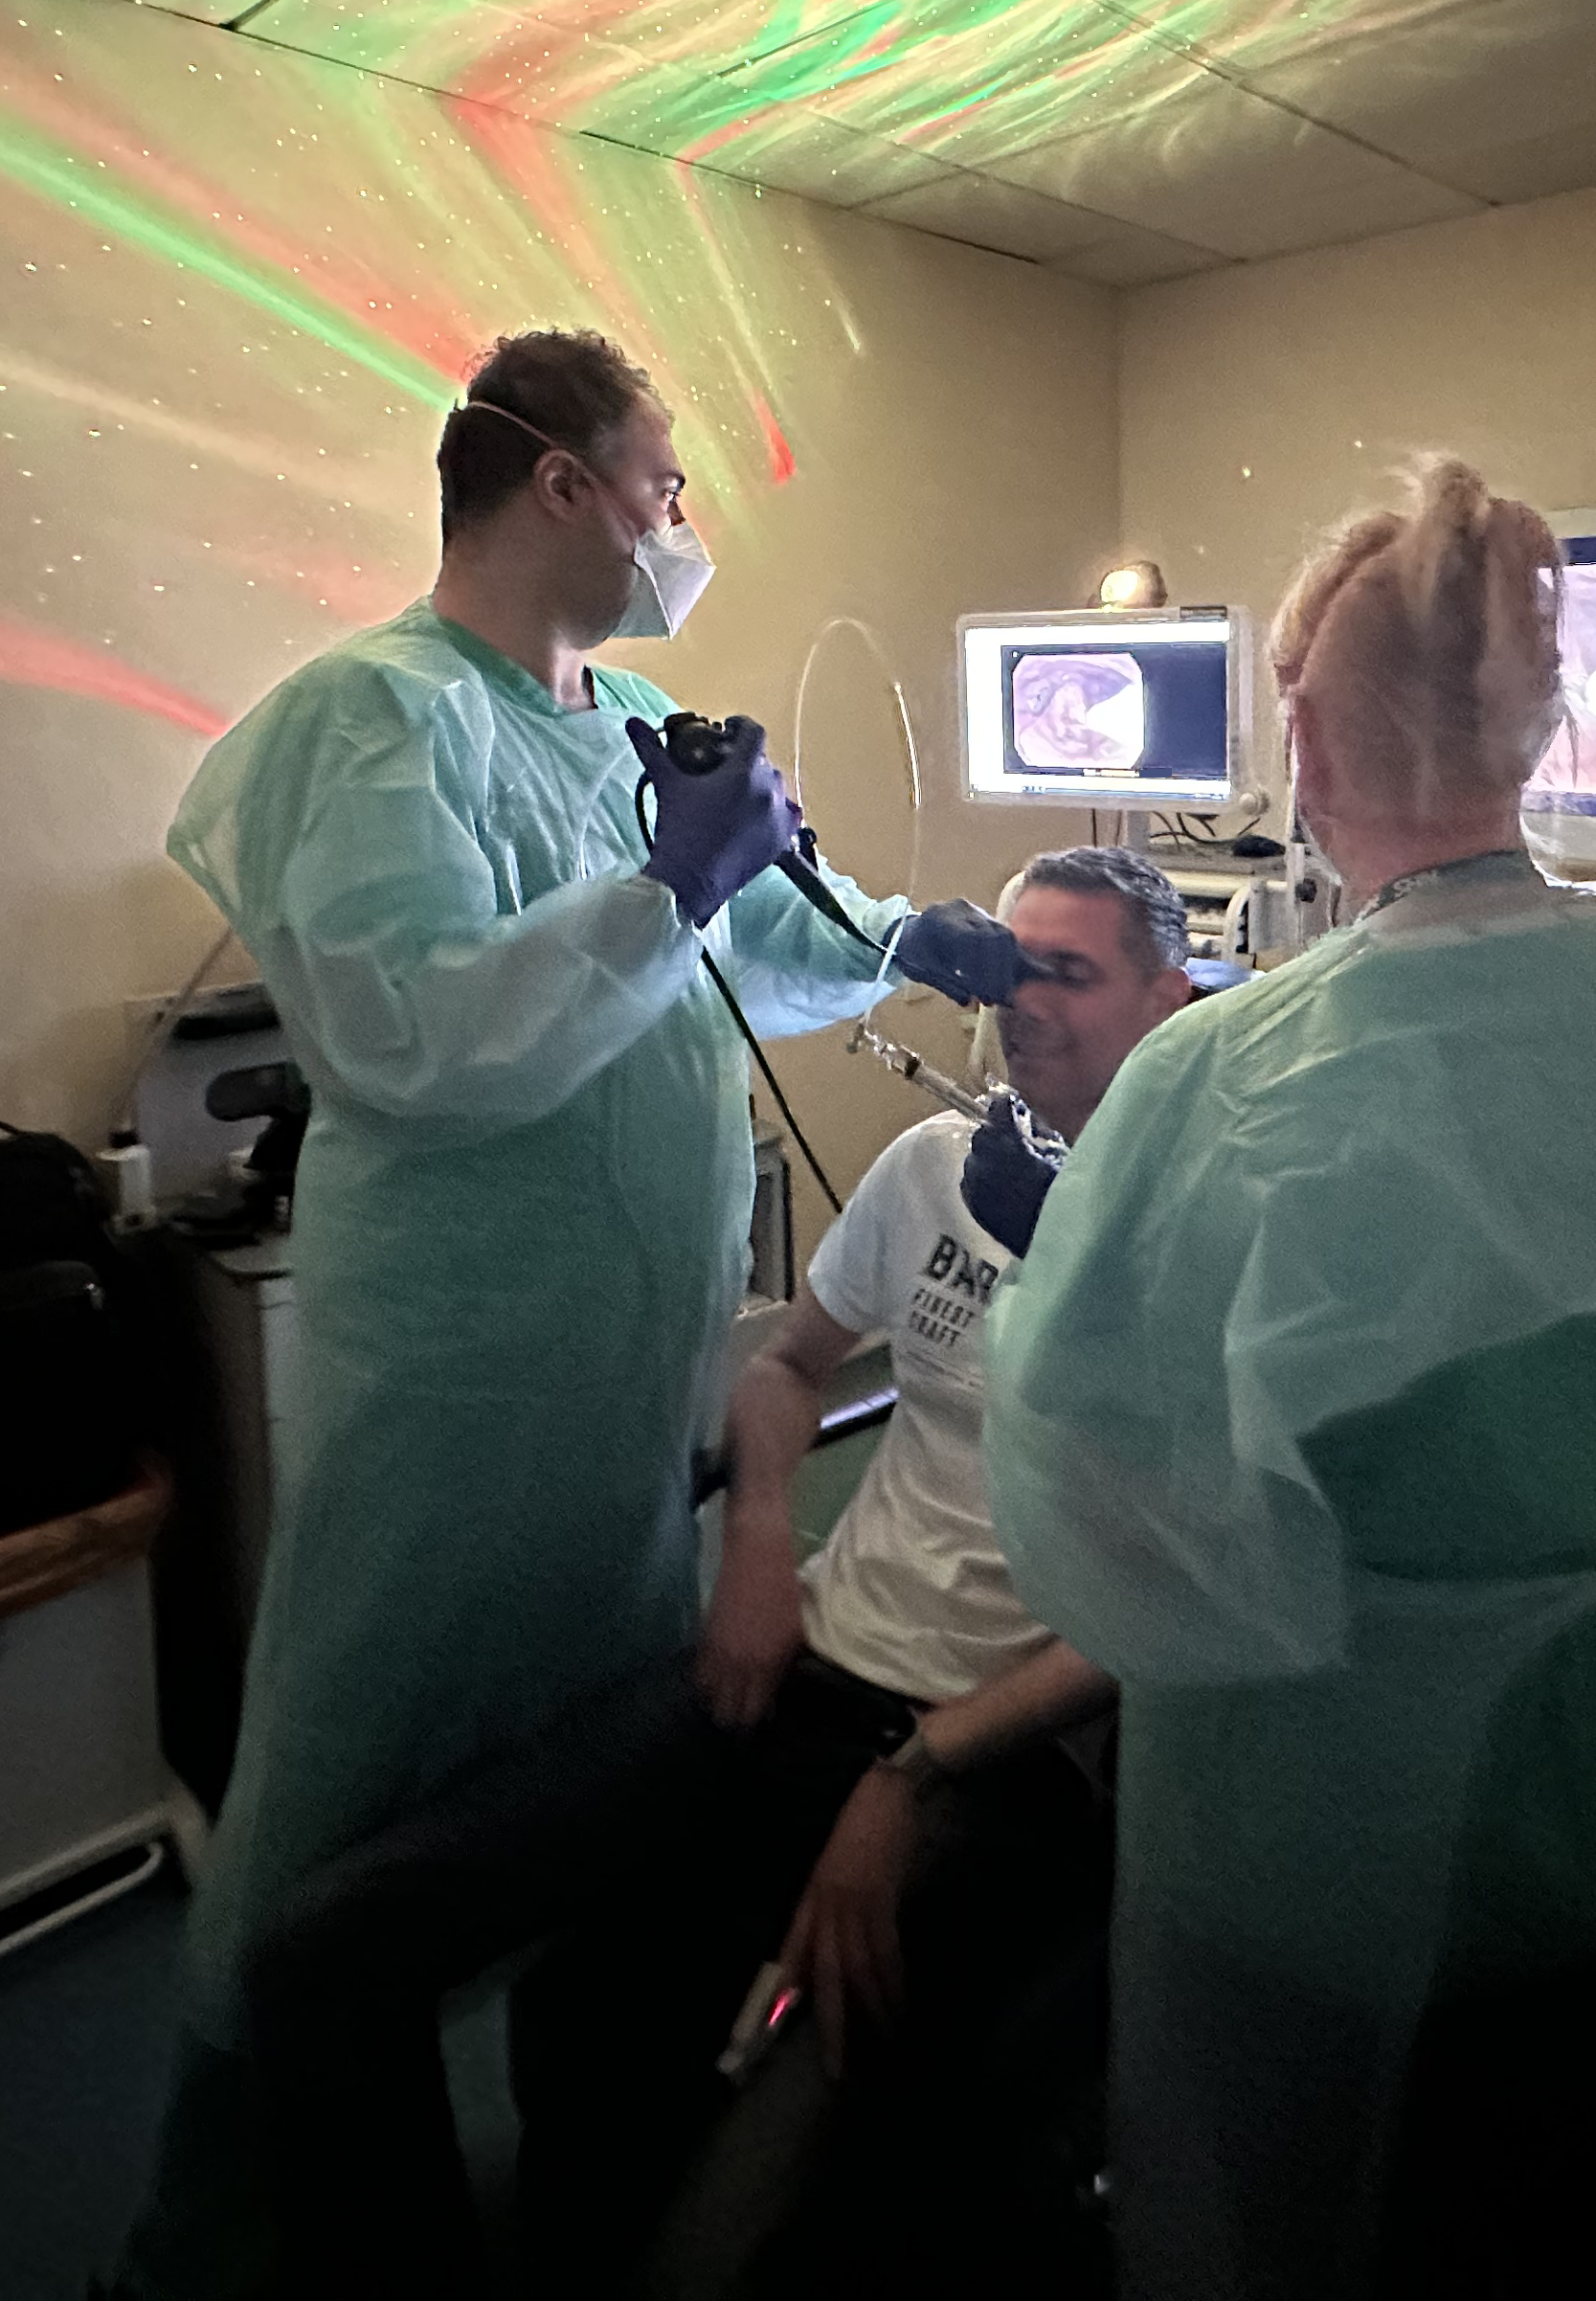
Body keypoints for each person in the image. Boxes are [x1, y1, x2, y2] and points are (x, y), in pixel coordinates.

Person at [113, 332, 1022, 2296]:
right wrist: (669, 895)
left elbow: (759, 947)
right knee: (340, 1842)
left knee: (593, 1814)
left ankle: (574, 2163)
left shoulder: (635, 725)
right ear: (557, 484)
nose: (681, 526)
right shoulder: (366, 724)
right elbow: (422, 1042)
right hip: (458, 1386)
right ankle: (221, 2242)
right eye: (666, 485)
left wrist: (900, 938)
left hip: (622, 1403)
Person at [982, 461, 1596, 2301]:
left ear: (1308, 750)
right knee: (1592, 2212)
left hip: (1319, 1830)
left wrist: (1060, 1256)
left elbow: (1094, 1523)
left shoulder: (1217, 1078)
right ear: (1541, 723)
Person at [506, 844, 1200, 2292]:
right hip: (812, 1662)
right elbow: (791, 1368)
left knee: (757, 2213)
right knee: (583, 1997)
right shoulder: (936, 1166)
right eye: (1011, 967)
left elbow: (1173, 1606)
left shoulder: (1196, 1243)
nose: (1022, 1001)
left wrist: (915, 1776)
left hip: (997, 1747)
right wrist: (763, 1533)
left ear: (1165, 1001)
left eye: (1069, 972)